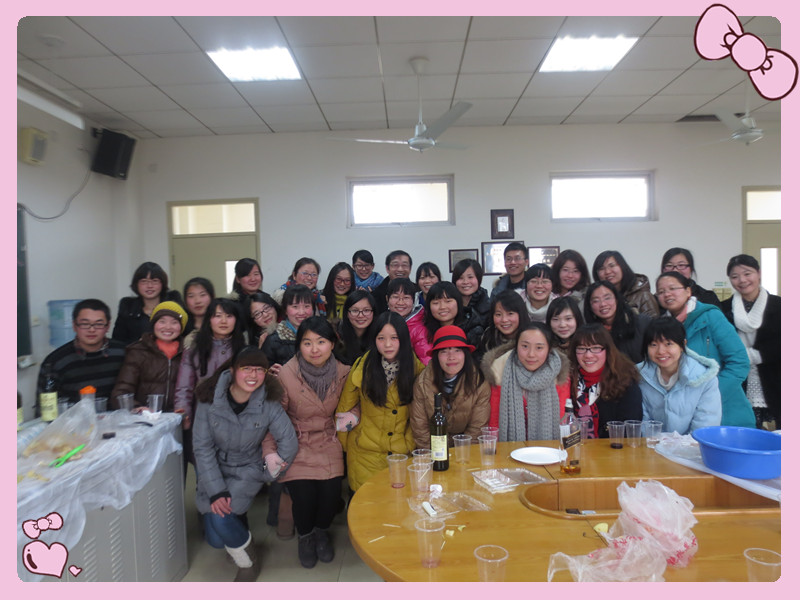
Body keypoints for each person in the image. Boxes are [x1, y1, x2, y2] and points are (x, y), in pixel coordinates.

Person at [192, 347, 298, 582]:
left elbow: (289, 442)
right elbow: (202, 448)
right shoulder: (209, 400)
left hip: (248, 468)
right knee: (216, 539)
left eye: (259, 370)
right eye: (246, 368)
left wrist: (267, 473)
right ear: (232, 371)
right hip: (216, 467)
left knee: (221, 517)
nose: (253, 375)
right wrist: (216, 490)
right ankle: (239, 534)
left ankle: (248, 562)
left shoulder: (268, 402)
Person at [274, 317, 350, 568]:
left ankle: (321, 531)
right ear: (299, 346)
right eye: (307, 343)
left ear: (332, 344)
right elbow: (275, 416)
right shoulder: (286, 373)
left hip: (328, 438)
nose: (314, 349)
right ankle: (305, 536)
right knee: (304, 496)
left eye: (321, 342)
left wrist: (352, 416)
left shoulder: (344, 372)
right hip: (297, 441)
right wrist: (272, 452)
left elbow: (354, 403)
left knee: (330, 495)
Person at [335, 311, 425, 492]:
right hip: (364, 455)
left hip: (401, 455)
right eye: (381, 338)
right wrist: (345, 447)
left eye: (394, 338)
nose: (388, 344)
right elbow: (345, 408)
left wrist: (409, 443)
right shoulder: (362, 366)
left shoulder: (417, 369)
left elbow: (422, 415)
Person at [654, 272, 754, 428]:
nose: (667, 294)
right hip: (684, 417)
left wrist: (710, 394)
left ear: (688, 291)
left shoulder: (711, 316)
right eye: (661, 291)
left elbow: (739, 362)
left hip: (725, 411)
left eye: (673, 288)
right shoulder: (661, 326)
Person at [720, 254, 780, 430]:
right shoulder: (723, 308)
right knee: (745, 430)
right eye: (735, 276)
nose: (742, 280)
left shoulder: (780, 305)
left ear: (758, 273)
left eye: (747, 274)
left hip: (776, 377)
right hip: (739, 379)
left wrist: (752, 355)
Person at [481, 322, 569, 441]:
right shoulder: (499, 369)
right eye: (525, 346)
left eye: (539, 348)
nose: (531, 354)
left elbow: (562, 420)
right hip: (509, 447)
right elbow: (494, 421)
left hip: (548, 448)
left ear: (549, 349)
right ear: (516, 346)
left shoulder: (559, 373)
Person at [36, 299, 127, 413]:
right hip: (73, 421)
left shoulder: (123, 353)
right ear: (74, 325)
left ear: (107, 326)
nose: (92, 330)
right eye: (85, 324)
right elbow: (44, 409)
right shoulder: (55, 361)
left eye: (99, 324)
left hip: (117, 420)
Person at [637, 317, 722, 434]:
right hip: (651, 443)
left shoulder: (704, 377)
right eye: (653, 344)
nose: (661, 351)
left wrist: (681, 444)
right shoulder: (638, 375)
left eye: (668, 344)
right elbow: (641, 420)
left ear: (682, 345)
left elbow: (705, 425)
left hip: (691, 444)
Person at [410, 326, 490, 449]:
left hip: (465, 450)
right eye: (444, 351)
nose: (451, 357)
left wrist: (462, 455)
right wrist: (437, 455)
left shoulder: (479, 383)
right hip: (433, 449)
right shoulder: (422, 383)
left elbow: (476, 429)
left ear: (465, 354)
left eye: (457, 350)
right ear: (436, 356)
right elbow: (420, 429)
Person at [566, 324, 643, 439]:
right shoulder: (567, 381)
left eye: (595, 348)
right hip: (573, 448)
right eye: (581, 349)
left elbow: (630, 430)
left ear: (608, 350)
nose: (588, 355)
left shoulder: (625, 383)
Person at [111, 301, 188, 410]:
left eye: (174, 322)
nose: (168, 327)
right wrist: (137, 408)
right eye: (162, 321)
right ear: (154, 324)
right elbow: (122, 391)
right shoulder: (138, 351)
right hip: (146, 417)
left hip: (177, 416)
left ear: (181, 327)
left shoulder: (188, 352)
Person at [112, 261, 182, 345]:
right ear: (136, 284)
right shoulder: (128, 307)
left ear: (162, 284)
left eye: (155, 281)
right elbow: (118, 341)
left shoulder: (174, 304)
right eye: (144, 281)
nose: (149, 286)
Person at [584, 281, 651, 364]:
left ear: (617, 299)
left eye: (607, 298)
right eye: (596, 301)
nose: (603, 304)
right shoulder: (589, 334)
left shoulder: (643, 323)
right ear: (590, 306)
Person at [262, 285, 315, 372]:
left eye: (306, 306)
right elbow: (263, 370)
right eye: (295, 307)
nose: (301, 312)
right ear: (285, 310)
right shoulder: (274, 340)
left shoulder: (321, 334)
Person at [409, 281, 464, 365]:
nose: (442, 307)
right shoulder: (421, 333)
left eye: (448, 301)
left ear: (458, 303)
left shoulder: (471, 327)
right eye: (436, 303)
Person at [592, 250, 659, 318]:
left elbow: (652, 322)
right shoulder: (594, 298)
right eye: (601, 268)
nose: (607, 272)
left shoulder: (643, 296)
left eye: (612, 266)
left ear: (622, 267)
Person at [476, 289, 530, 358]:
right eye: (498, 314)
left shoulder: (532, 337)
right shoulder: (488, 337)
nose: (504, 320)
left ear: (521, 314)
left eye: (510, 314)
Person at [452, 258, 491, 349]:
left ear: (478, 279)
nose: (465, 282)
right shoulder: (449, 305)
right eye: (460, 278)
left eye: (470, 277)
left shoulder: (489, 306)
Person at [335, 290, 376, 366]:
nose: (360, 315)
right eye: (355, 310)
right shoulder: (335, 336)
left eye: (366, 310)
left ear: (373, 312)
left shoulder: (380, 335)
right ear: (346, 313)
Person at [320, 262, 356, 328]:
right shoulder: (319, 299)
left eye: (347, 280)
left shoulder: (356, 302)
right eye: (338, 279)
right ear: (332, 279)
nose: (342, 284)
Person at [182, 277, 215, 343]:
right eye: (191, 296)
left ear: (212, 297)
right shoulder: (180, 326)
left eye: (202, 295)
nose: (197, 301)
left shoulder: (219, 324)